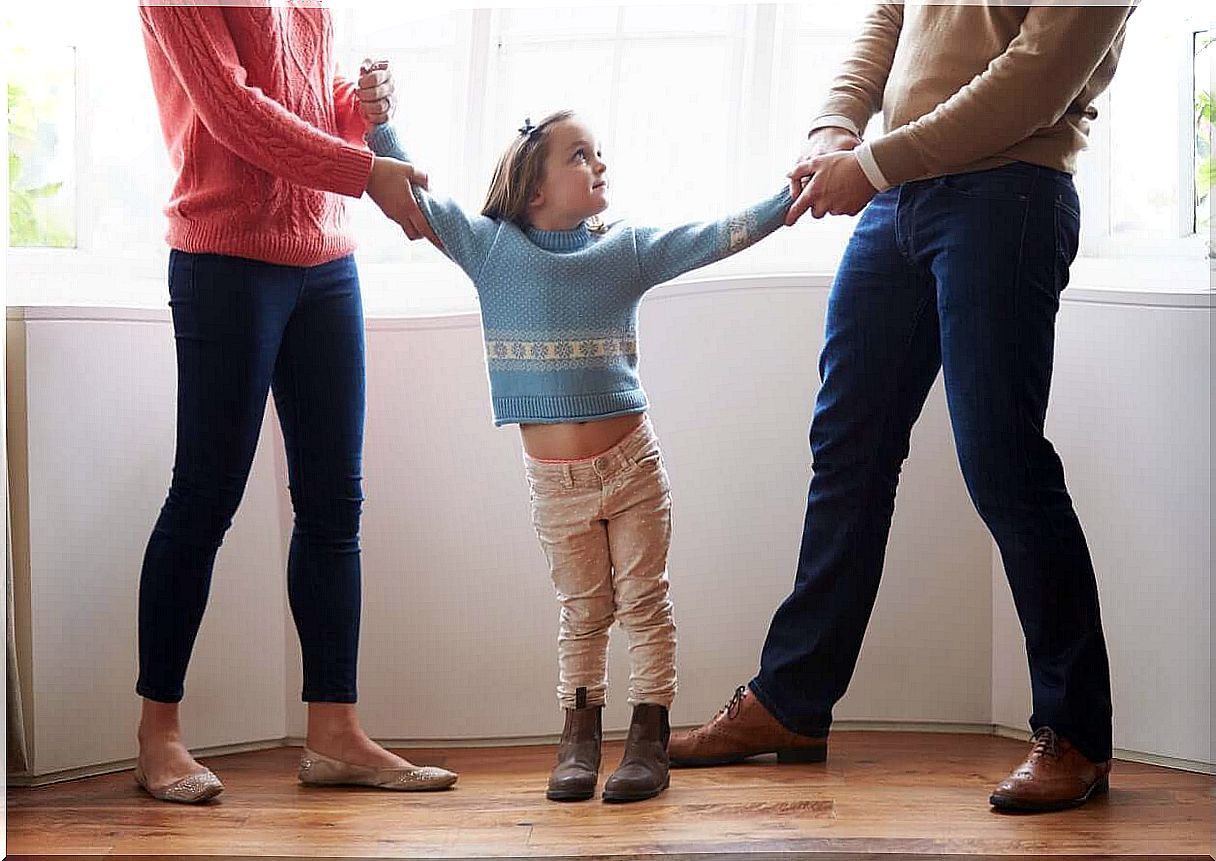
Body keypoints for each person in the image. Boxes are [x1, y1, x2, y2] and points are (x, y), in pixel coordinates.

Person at [669, 2, 1134, 813]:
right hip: (899, 205)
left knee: (1002, 459)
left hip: (1008, 194)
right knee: (847, 450)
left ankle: (1076, 733)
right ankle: (792, 700)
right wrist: (832, 130)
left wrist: (876, 162)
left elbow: (1033, 81)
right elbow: (888, 18)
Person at [365, 110, 792, 802]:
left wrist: (789, 199)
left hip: (632, 467)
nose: (599, 165)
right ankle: (579, 738)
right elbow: (415, 202)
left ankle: (648, 735)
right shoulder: (490, 249)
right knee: (584, 610)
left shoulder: (624, 250)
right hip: (555, 483)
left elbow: (714, 236)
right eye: (580, 156)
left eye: (599, 153)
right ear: (534, 188)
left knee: (646, 602)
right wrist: (381, 124)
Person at [135, 5, 451, 802]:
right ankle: (158, 735)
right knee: (205, 497)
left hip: (325, 260)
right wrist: (362, 171)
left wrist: (361, 107)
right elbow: (232, 109)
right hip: (225, 261)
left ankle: (335, 733)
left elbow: (306, 98)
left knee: (334, 503)